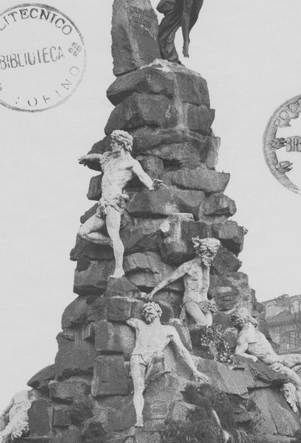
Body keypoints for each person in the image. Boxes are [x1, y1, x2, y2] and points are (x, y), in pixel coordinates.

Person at [78, 130, 165, 278]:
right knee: (83, 232)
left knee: (114, 234)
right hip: (103, 204)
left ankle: (119, 269)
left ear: (123, 144)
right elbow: (98, 157)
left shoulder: (131, 163)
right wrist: (86, 158)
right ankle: (110, 243)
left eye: (114, 143)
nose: (111, 145)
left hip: (114, 202)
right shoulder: (109, 159)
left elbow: (142, 175)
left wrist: (151, 186)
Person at [230, 310, 301, 428]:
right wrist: (251, 356)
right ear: (243, 320)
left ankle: (285, 379)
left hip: (280, 359)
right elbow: (238, 353)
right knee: (300, 385)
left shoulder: (257, 333)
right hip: (274, 366)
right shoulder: (244, 336)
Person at [127, 301, 208, 428]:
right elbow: (127, 319)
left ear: (159, 312)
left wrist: (194, 371)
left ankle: (147, 380)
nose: (146, 311)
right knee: (138, 388)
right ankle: (139, 417)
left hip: (155, 358)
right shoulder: (139, 324)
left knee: (159, 356)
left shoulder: (168, 330)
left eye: (150, 309)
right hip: (137, 356)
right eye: (144, 311)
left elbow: (182, 350)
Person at [148, 236, 220, 327]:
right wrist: (152, 292)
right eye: (210, 255)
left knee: (209, 326)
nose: (212, 259)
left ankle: (187, 330)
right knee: (203, 324)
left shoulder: (206, 267)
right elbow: (169, 279)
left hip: (204, 302)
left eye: (213, 256)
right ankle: (183, 330)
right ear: (202, 252)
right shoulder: (188, 266)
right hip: (191, 300)